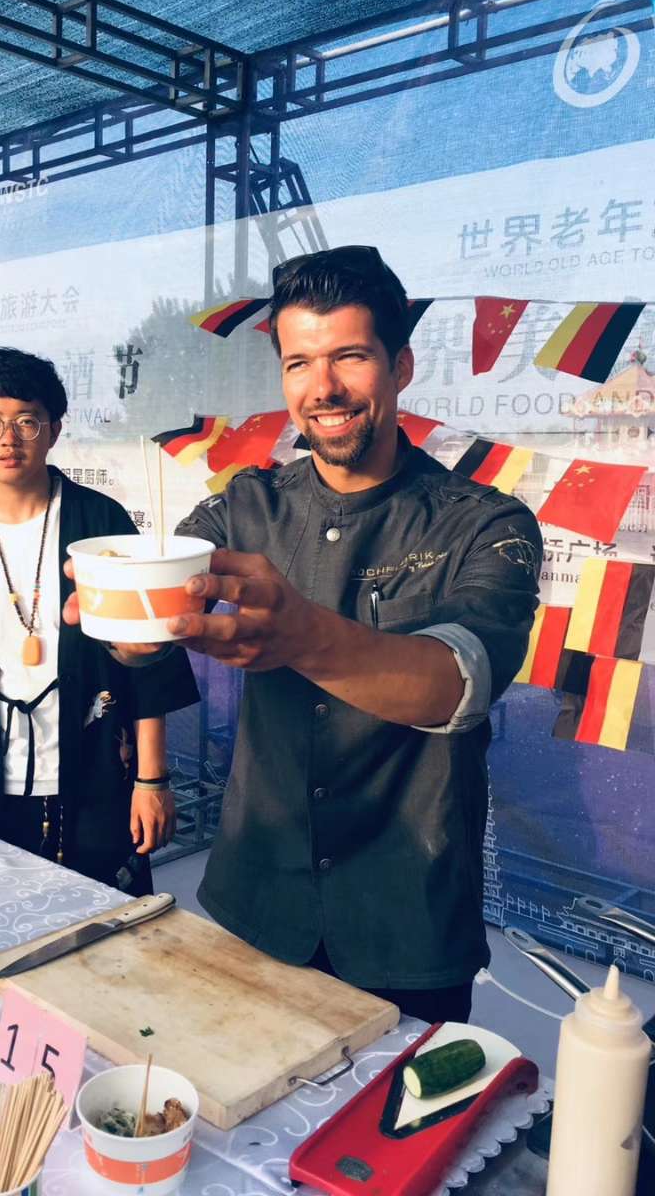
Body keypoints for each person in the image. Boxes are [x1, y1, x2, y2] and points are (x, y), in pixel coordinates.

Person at [69, 247, 542, 1022]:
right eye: (298, 364)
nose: (322, 388)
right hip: (259, 897)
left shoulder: (485, 523)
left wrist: (303, 639)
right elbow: (161, 606)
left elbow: (458, 685)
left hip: (407, 915)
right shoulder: (245, 505)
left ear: (401, 367)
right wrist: (131, 628)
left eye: (350, 357)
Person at [0, 348, 198, 893]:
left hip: (98, 773)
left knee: (109, 923)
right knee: (0, 918)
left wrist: (152, 779)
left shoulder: (101, 524)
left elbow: (146, 657)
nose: (8, 439)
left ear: (53, 430)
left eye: (26, 421)